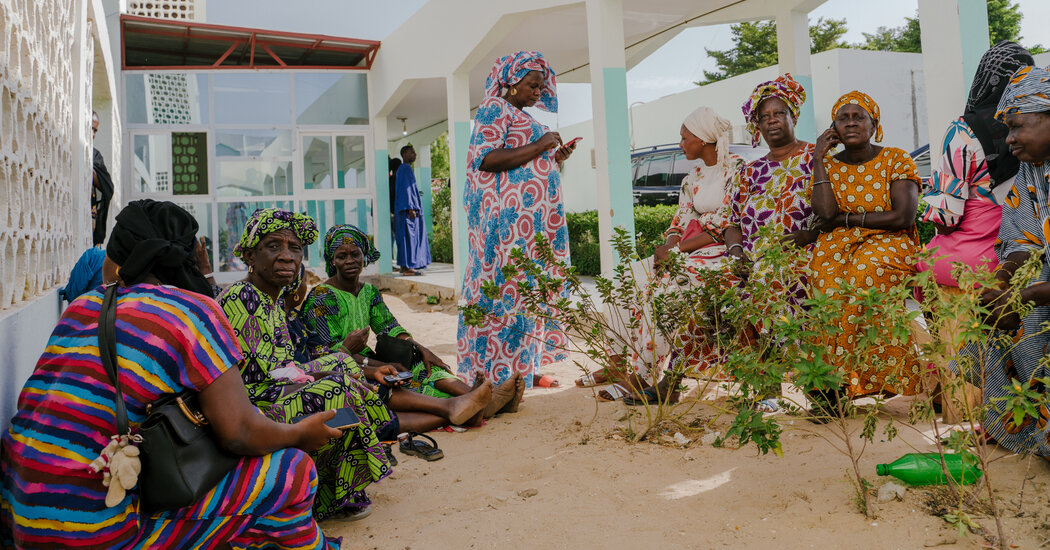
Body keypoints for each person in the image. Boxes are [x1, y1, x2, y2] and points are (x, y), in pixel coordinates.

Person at [1, 200, 341, 549]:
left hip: (20, 515)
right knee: (293, 472)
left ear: (119, 257)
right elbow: (239, 433)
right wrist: (300, 434)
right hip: (97, 533)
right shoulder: (192, 311)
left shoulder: (82, 306)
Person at [219, 209, 493, 515]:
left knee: (349, 373)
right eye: (273, 246)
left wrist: (361, 366)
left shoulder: (271, 300)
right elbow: (263, 378)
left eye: (294, 248)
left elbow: (286, 366)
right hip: (251, 409)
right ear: (249, 256)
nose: (286, 257)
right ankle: (449, 412)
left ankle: (454, 407)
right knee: (340, 384)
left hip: (275, 389)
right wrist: (348, 370)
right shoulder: (244, 297)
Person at [587, 107, 743, 403]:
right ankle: (619, 366)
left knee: (664, 294)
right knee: (621, 282)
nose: (681, 143)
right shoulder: (692, 177)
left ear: (704, 139)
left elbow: (725, 224)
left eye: (685, 137)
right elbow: (679, 221)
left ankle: (643, 375)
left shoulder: (736, 170)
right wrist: (667, 246)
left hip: (719, 254)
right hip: (684, 252)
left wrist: (676, 250)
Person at [916, 42, 1034, 420]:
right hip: (1019, 254)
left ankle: (957, 403)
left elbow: (945, 216)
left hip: (967, 261)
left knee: (924, 268)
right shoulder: (1034, 127)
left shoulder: (963, 130)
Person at [304, 224, 520, 419]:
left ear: (364, 256)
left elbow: (389, 327)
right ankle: (474, 404)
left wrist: (422, 348)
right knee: (392, 381)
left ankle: (478, 397)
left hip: (368, 359)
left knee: (421, 362)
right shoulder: (322, 296)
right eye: (342, 256)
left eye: (355, 254)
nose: (350, 261)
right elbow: (329, 351)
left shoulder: (368, 291)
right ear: (332, 260)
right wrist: (382, 365)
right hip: (340, 363)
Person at [456, 51, 578, 391]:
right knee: (507, 292)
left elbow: (529, 167)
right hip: (506, 225)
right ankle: (496, 372)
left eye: (541, 87)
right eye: (532, 85)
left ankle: (527, 366)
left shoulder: (520, 115)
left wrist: (555, 157)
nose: (538, 92)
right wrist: (541, 144)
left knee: (529, 291)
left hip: (533, 225)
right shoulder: (495, 108)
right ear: (511, 84)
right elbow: (487, 159)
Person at [953, 65, 1050, 458]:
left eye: (1017, 126)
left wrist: (1026, 296)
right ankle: (1033, 430)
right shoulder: (1032, 171)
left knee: (1030, 315)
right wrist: (1004, 285)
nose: (1009, 139)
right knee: (994, 319)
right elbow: (1023, 240)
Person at [809, 91, 923, 399]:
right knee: (826, 281)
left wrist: (848, 220)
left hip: (890, 240)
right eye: (842, 118)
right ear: (833, 129)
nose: (850, 123)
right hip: (838, 243)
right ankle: (829, 381)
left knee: (864, 275)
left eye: (858, 117)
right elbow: (826, 213)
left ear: (874, 125)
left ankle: (864, 379)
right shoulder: (828, 166)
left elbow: (902, 216)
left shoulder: (896, 158)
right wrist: (819, 159)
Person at [719, 74, 819, 412]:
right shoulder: (749, 171)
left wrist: (805, 238)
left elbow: (830, 213)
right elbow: (731, 221)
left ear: (793, 115)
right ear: (756, 125)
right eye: (764, 117)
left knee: (766, 283)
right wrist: (736, 254)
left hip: (803, 253)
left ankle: (786, 387)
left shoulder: (815, 158)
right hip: (753, 258)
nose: (771, 121)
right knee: (720, 284)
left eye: (778, 113)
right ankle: (755, 380)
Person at [394, 145, 432, 275]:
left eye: (415, 152)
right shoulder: (404, 168)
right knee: (409, 238)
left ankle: (407, 266)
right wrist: (410, 207)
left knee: (408, 238)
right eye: (411, 152)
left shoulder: (404, 168)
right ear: (404, 154)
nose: (414, 154)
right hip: (407, 211)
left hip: (407, 209)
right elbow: (406, 190)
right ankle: (407, 268)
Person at [90, 111, 114, 246]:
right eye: (90, 128)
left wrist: (91, 171)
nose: (93, 134)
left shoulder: (95, 156)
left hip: (91, 222)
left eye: (95, 130)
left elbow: (108, 187)